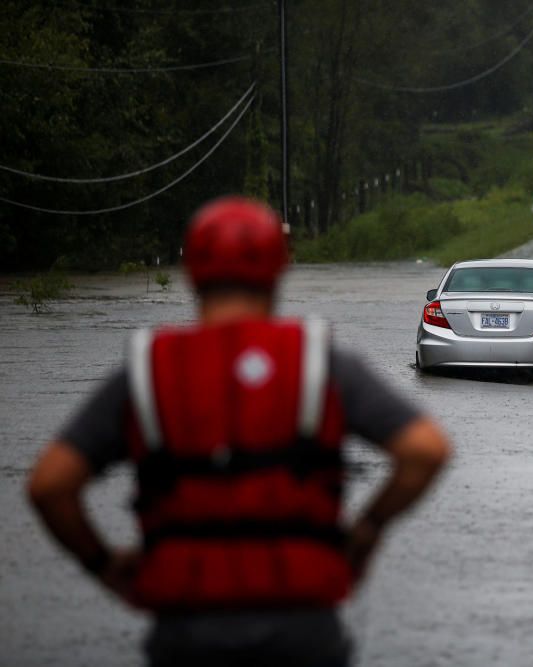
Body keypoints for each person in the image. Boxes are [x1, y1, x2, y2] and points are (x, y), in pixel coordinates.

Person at [27, 196, 451, 666]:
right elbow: (425, 450)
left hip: (186, 630)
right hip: (301, 629)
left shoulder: (147, 369)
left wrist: (101, 564)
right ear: (279, 271)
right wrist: (368, 527)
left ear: (191, 275)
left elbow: (49, 485)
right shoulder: (319, 361)